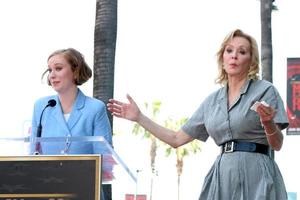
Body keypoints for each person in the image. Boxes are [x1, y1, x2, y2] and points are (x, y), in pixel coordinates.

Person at [107, 29, 289, 200]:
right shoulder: (212, 101)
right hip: (222, 175)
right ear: (222, 57)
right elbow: (176, 139)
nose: (234, 55)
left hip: (257, 173)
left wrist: (267, 122)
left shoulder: (265, 90)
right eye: (229, 50)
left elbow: (277, 144)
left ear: (251, 60)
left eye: (242, 52)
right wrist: (139, 117)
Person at [30, 48, 112, 199]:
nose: (52, 75)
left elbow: (105, 159)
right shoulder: (41, 106)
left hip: (85, 192)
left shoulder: (95, 108)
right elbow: (33, 155)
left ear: (75, 71)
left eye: (58, 68)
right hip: (49, 192)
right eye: (50, 70)